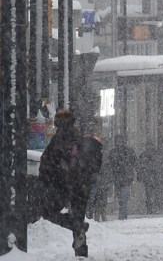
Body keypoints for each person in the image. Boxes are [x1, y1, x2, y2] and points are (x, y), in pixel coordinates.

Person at [38, 109, 102, 257]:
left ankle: (75, 225)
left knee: (48, 211)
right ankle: (81, 251)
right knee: (78, 214)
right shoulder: (79, 136)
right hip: (83, 185)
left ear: (58, 122)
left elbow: (47, 162)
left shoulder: (59, 138)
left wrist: (45, 180)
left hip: (64, 185)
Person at [107, 136, 137, 221]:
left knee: (124, 198)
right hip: (117, 179)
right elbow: (110, 165)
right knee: (120, 199)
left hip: (126, 179)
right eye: (118, 141)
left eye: (121, 141)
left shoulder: (129, 151)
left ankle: (123, 216)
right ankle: (122, 215)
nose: (119, 143)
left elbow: (135, 162)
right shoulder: (113, 152)